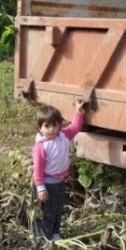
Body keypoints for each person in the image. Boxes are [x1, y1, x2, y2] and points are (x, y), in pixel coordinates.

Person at [32, 100, 85, 241]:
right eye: (47, 126)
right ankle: (44, 237)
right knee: (46, 212)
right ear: (39, 128)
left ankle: (55, 232)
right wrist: (40, 188)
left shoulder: (63, 136)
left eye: (55, 125)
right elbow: (37, 169)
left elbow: (75, 127)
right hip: (47, 184)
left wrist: (79, 111)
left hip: (59, 183)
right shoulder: (41, 147)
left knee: (57, 209)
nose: (51, 129)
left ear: (60, 125)